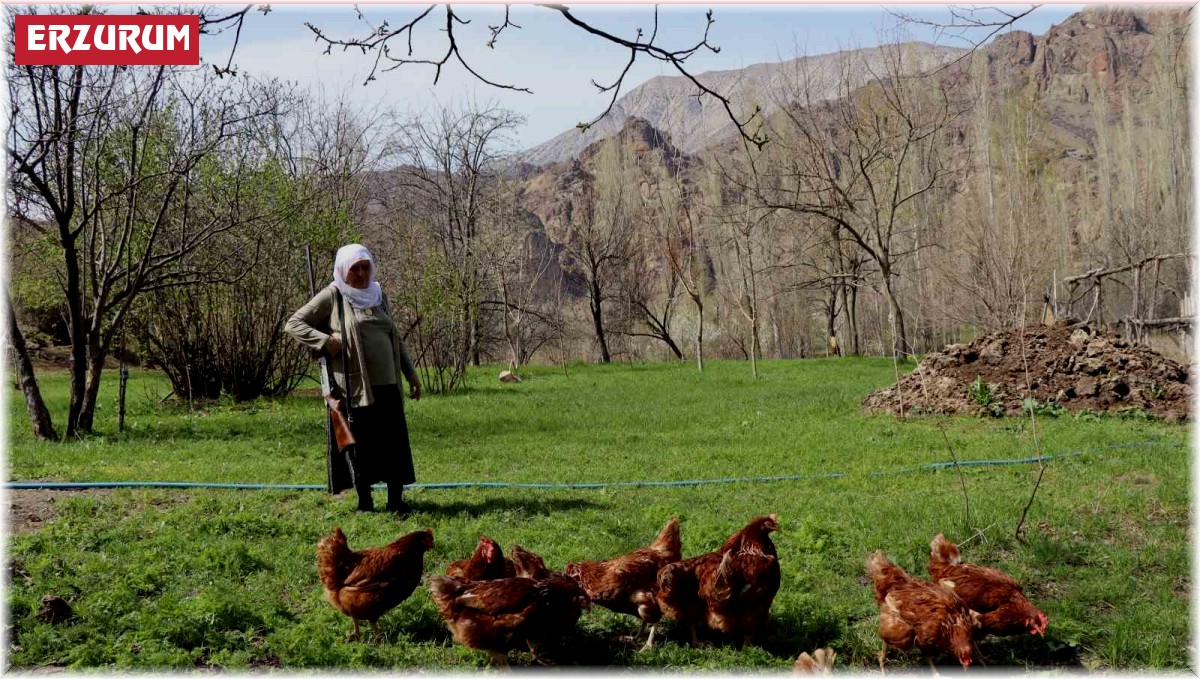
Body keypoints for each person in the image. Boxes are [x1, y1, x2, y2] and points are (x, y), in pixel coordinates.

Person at [285, 244, 422, 514]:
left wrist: (410, 373)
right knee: (362, 447)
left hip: (389, 385)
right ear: (343, 271)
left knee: (393, 444)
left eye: (365, 267)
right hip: (355, 388)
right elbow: (294, 324)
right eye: (354, 269)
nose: (360, 274)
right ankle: (365, 502)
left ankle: (396, 502)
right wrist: (325, 341)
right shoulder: (333, 296)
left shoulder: (378, 295)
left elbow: (395, 339)